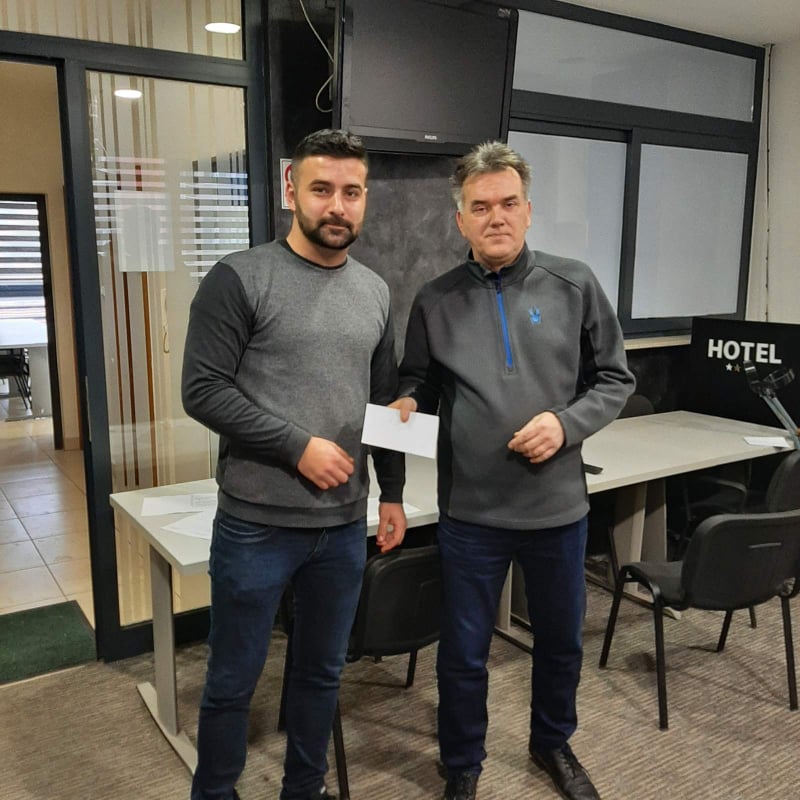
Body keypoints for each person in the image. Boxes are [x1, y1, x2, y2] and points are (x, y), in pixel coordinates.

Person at [391, 141, 634, 800]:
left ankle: (552, 742)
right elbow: (419, 382)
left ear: (528, 210)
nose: (495, 217)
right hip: (471, 514)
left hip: (557, 511)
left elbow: (615, 379)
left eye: (507, 203)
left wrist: (566, 424)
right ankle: (461, 762)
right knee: (464, 651)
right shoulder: (434, 300)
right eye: (480, 207)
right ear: (460, 219)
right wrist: (408, 402)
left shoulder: (574, 283)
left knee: (560, 642)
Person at [182, 128, 407, 800]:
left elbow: (384, 403)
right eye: (321, 189)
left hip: (341, 527)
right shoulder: (240, 277)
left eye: (351, 192)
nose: (337, 205)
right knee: (233, 680)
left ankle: (303, 790)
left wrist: (392, 493)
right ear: (291, 191)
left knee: (321, 674)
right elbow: (202, 389)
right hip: (256, 525)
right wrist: (295, 446)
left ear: (365, 198)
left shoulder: (376, 291)